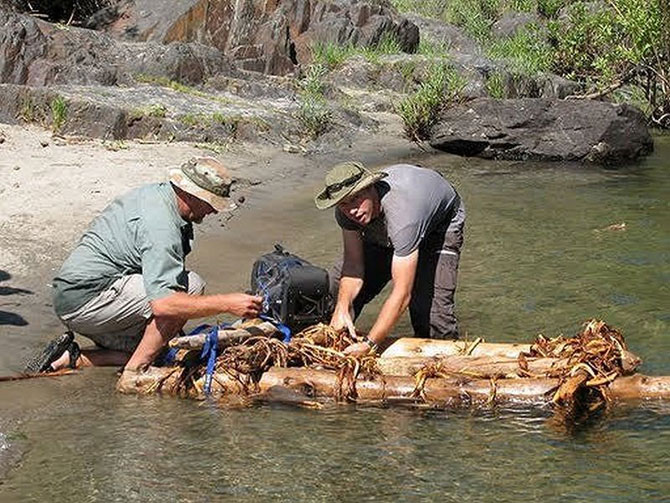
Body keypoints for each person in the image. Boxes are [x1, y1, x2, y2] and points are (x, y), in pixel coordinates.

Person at [28, 157, 262, 379]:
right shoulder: (161, 227)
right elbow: (164, 304)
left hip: (77, 293)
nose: (212, 212)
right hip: (87, 299)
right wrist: (227, 304)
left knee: (160, 349)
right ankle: (133, 375)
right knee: (189, 290)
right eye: (211, 204)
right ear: (192, 195)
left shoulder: (159, 195)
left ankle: (70, 359)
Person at [315, 161, 465, 357]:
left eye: (356, 199)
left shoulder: (403, 217)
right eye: (344, 203)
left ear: (371, 188)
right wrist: (342, 306)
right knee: (334, 291)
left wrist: (370, 344)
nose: (352, 210)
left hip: (440, 226)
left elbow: (402, 294)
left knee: (430, 315)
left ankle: (447, 365)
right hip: (388, 222)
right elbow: (352, 265)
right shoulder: (347, 213)